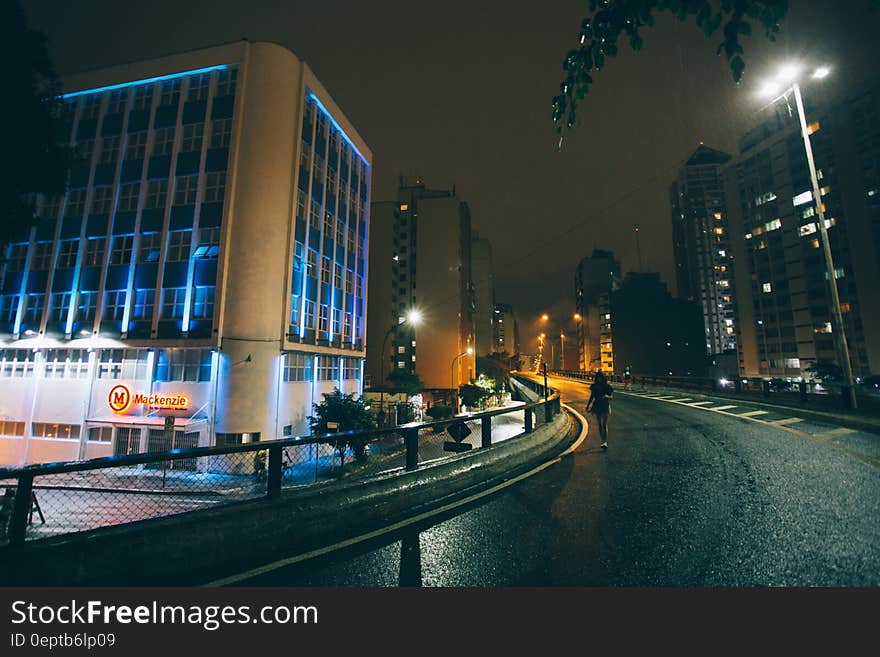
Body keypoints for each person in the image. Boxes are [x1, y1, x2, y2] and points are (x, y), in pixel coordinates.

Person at [586, 371, 613, 449]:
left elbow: (611, 397)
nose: (599, 379)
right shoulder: (594, 386)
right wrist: (588, 406)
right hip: (597, 405)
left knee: (604, 424)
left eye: (600, 377)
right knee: (600, 425)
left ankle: (605, 442)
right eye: (597, 377)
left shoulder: (607, 386)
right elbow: (592, 396)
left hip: (605, 405)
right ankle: (602, 441)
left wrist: (606, 396)